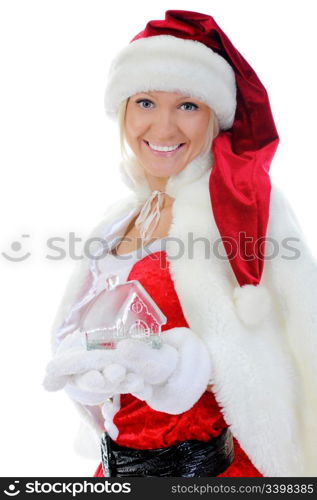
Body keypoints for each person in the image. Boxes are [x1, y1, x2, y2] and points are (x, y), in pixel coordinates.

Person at [43, 10, 317, 477]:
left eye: (188, 105)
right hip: (116, 470)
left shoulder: (242, 206)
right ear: (123, 110)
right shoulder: (119, 219)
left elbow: (305, 335)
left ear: (216, 116)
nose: (164, 128)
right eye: (146, 102)